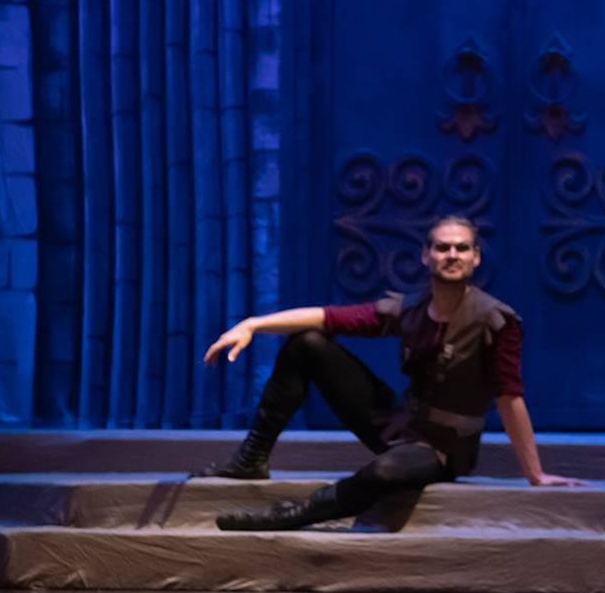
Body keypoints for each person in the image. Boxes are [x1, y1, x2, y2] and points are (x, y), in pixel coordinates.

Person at [194, 215, 580, 530]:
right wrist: (252, 324)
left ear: (476, 257)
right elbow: (330, 317)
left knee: (383, 472)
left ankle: (300, 513)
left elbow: (509, 396)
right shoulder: (410, 308)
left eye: (462, 248)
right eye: (442, 247)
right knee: (307, 343)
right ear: (426, 255)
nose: (452, 254)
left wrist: (535, 474)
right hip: (400, 426)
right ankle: (252, 459)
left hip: (443, 450)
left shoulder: (495, 320)